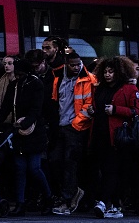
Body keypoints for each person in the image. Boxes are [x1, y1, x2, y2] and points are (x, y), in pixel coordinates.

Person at [0, 59, 53, 216]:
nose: (18, 77)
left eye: (20, 74)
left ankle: (48, 197)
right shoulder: (14, 86)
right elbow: (6, 106)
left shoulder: (36, 84)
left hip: (33, 130)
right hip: (20, 130)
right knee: (20, 168)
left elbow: (37, 108)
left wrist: (25, 122)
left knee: (34, 168)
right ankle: (21, 203)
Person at [88, 56, 139, 219]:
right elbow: (98, 109)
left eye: (111, 72)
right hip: (100, 133)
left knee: (112, 169)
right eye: (105, 71)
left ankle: (104, 202)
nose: (107, 75)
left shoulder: (130, 89)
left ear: (119, 72)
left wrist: (117, 109)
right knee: (105, 170)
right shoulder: (100, 88)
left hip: (118, 137)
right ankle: (115, 205)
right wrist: (93, 111)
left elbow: (137, 111)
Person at [50, 52, 95, 215]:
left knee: (69, 164)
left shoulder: (89, 79)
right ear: (67, 64)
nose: (76, 67)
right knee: (56, 161)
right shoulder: (58, 77)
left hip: (75, 127)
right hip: (62, 126)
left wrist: (75, 124)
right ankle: (70, 194)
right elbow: (57, 100)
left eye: (78, 64)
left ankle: (68, 199)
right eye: (73, 65)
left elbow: (89, 105)